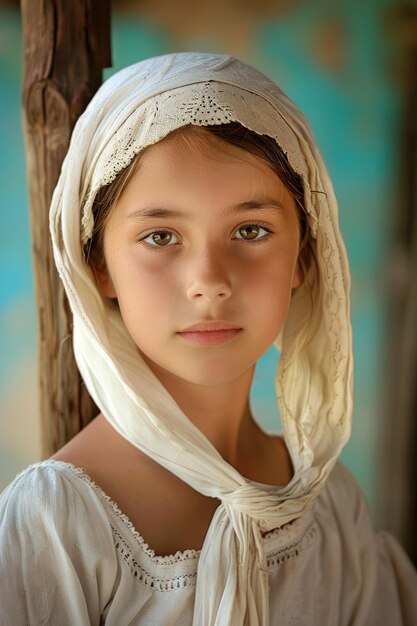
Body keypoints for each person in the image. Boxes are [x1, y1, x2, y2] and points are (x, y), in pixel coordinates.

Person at [0, 52, 416, 626]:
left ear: (304, 252)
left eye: (251, 230)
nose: (210, 283)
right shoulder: (56, 525)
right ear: (97, 264)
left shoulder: (328, 506)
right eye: (161, 235)